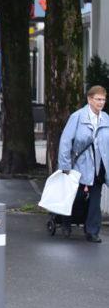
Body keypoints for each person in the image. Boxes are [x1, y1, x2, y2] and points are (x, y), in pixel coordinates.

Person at [57, 85, 109, 243]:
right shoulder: (77, 117)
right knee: (76, 196)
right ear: (89, 99)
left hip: (100, 165)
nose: (101, 103)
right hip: (81, 165)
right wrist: (65, 165)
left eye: (103, 100)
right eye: (98, 99)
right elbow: (65, 141)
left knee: (95, 198)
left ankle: (92, 231)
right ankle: (65, 221)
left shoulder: (105, 118)